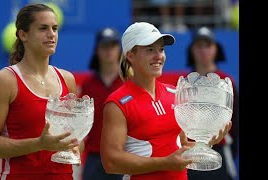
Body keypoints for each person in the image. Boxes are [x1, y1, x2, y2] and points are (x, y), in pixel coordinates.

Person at [100, 22, 232, 180]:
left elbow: (181, 146)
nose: (158, 56)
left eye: (161, 49)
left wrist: (205, 143)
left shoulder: (176, 93)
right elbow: (111, 162)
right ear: (130, 55)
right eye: (150, 50)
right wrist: (165, 163)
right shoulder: (117, 103)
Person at [0, 3, 84, 180]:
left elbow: (77, 143)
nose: (51, 34)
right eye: (43, 28)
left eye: (55, 28)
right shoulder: (3, 81)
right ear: (23, 34)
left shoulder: (67, 79)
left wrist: (73, 146)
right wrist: (39, 144)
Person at [185, 26, 239, 180]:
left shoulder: (227, 82)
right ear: (192, 50)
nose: (203, 51)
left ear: (216, 49)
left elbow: (235, 123)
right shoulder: (185, 83)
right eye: (199, 46)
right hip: (190, 153)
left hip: (220, 151)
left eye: (207, 46)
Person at [80, 27, 124, 180]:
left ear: (119, 50)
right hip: (94, 157)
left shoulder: (129, 83)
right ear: (97, 50)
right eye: (104, 46)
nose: (109, 50)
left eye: (113, 45)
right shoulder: (87, 86)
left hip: (123, 156)